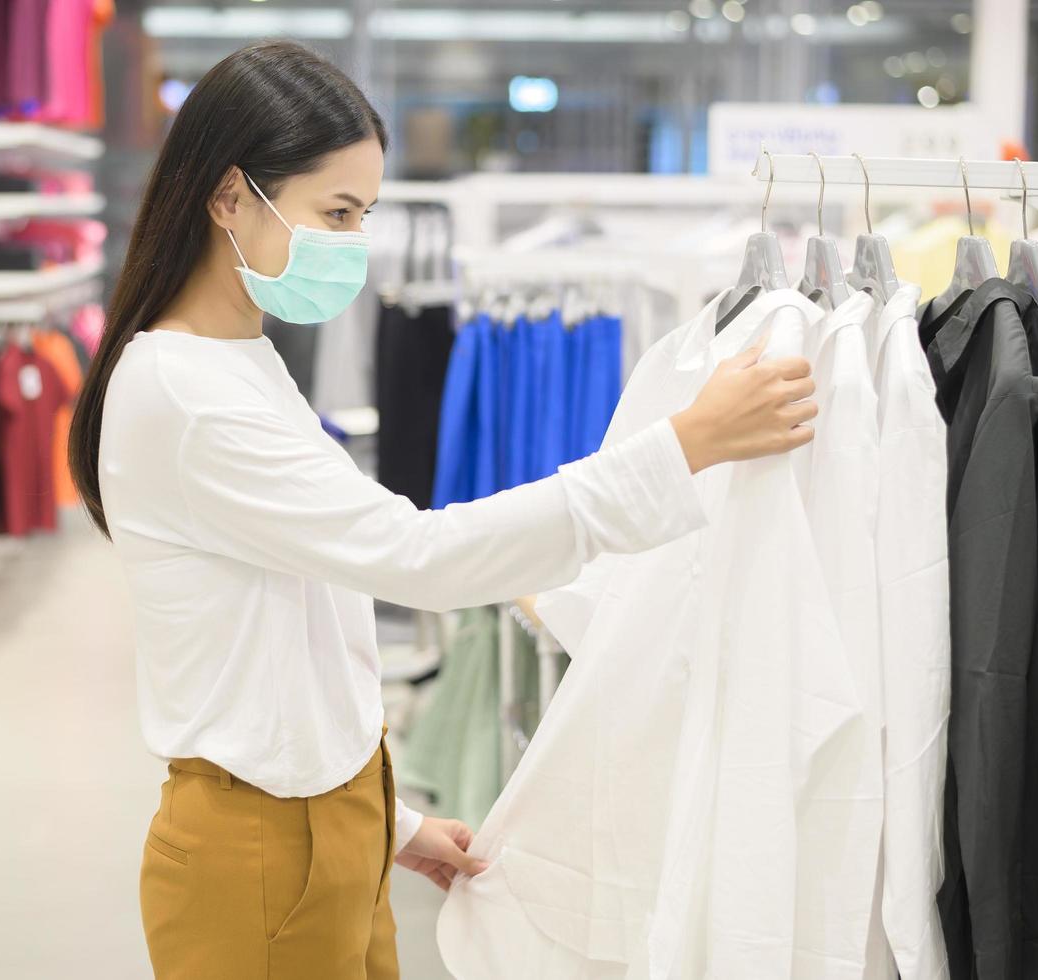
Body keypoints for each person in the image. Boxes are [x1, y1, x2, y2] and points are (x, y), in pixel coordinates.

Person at [67, 39, 817, 980]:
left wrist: (391, 819)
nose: (353, 242)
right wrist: (679, 448)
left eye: (364, 214)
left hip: (328, 817)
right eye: (334, 212)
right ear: (227, 198)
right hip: (256, 845)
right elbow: (411, 556)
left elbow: (292, 632)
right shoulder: (184, 392)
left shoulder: (239, 363)